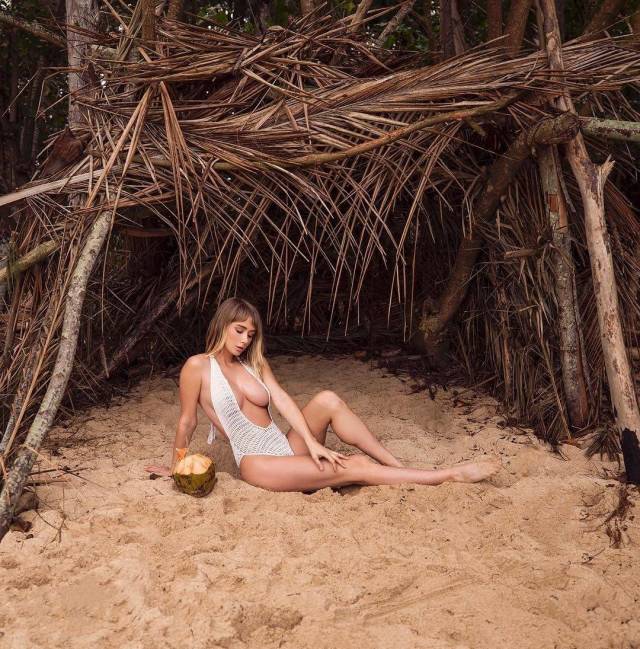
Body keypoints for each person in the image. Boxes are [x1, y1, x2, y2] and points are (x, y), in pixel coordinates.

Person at [144, 297, 499, 491]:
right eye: (239, 331)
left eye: (250, 335)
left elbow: (282, 400)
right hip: (257, 463)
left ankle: (399, 468)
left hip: (285, 449)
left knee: (327, 399)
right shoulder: (197, 367)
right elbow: (187, 421)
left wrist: (312, 443)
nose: (244, 340)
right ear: (222, 326)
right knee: (353, 465)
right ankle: (447, 475)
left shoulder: (254, 363)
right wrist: (175, 467)